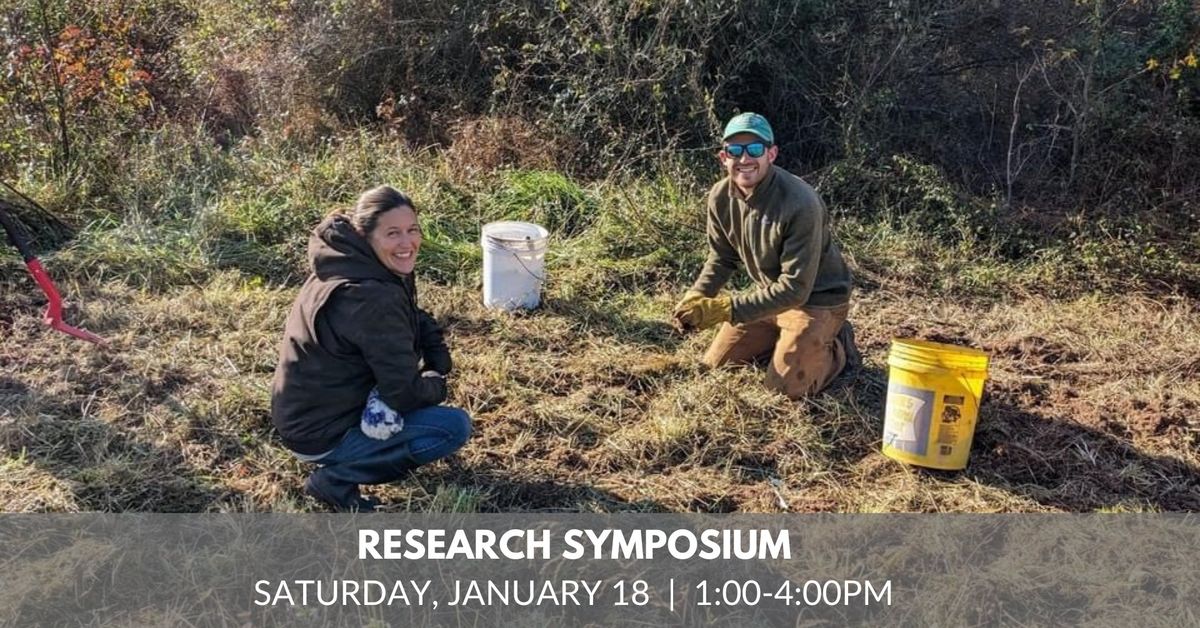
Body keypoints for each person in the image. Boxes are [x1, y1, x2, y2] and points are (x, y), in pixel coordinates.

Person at [271, 185, 471, 512]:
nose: (407, 243)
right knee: (450, 428)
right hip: (322, 433)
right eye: (392, 233)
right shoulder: (370, 296)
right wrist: (437, 381)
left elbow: (409, 314)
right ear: (366, 235)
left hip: (302, 415)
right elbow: (403, 394)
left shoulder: (347, 262)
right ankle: (336, 479)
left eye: (412, 230)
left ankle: (352, 455)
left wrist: (435, 347)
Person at [672, 112, 860, 398]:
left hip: (816, 301)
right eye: (735, 150)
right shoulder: (720, 197)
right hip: (770, 297)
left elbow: (796, 289)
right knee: (715, 364)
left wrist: (726, 309)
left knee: (784, 390)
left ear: (771, 154)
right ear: (724, 157)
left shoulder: (801, 203)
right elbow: (722, 257)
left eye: (755, 149)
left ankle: (836, 347)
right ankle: (785, 341)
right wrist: (698, 295)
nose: (745, 159)